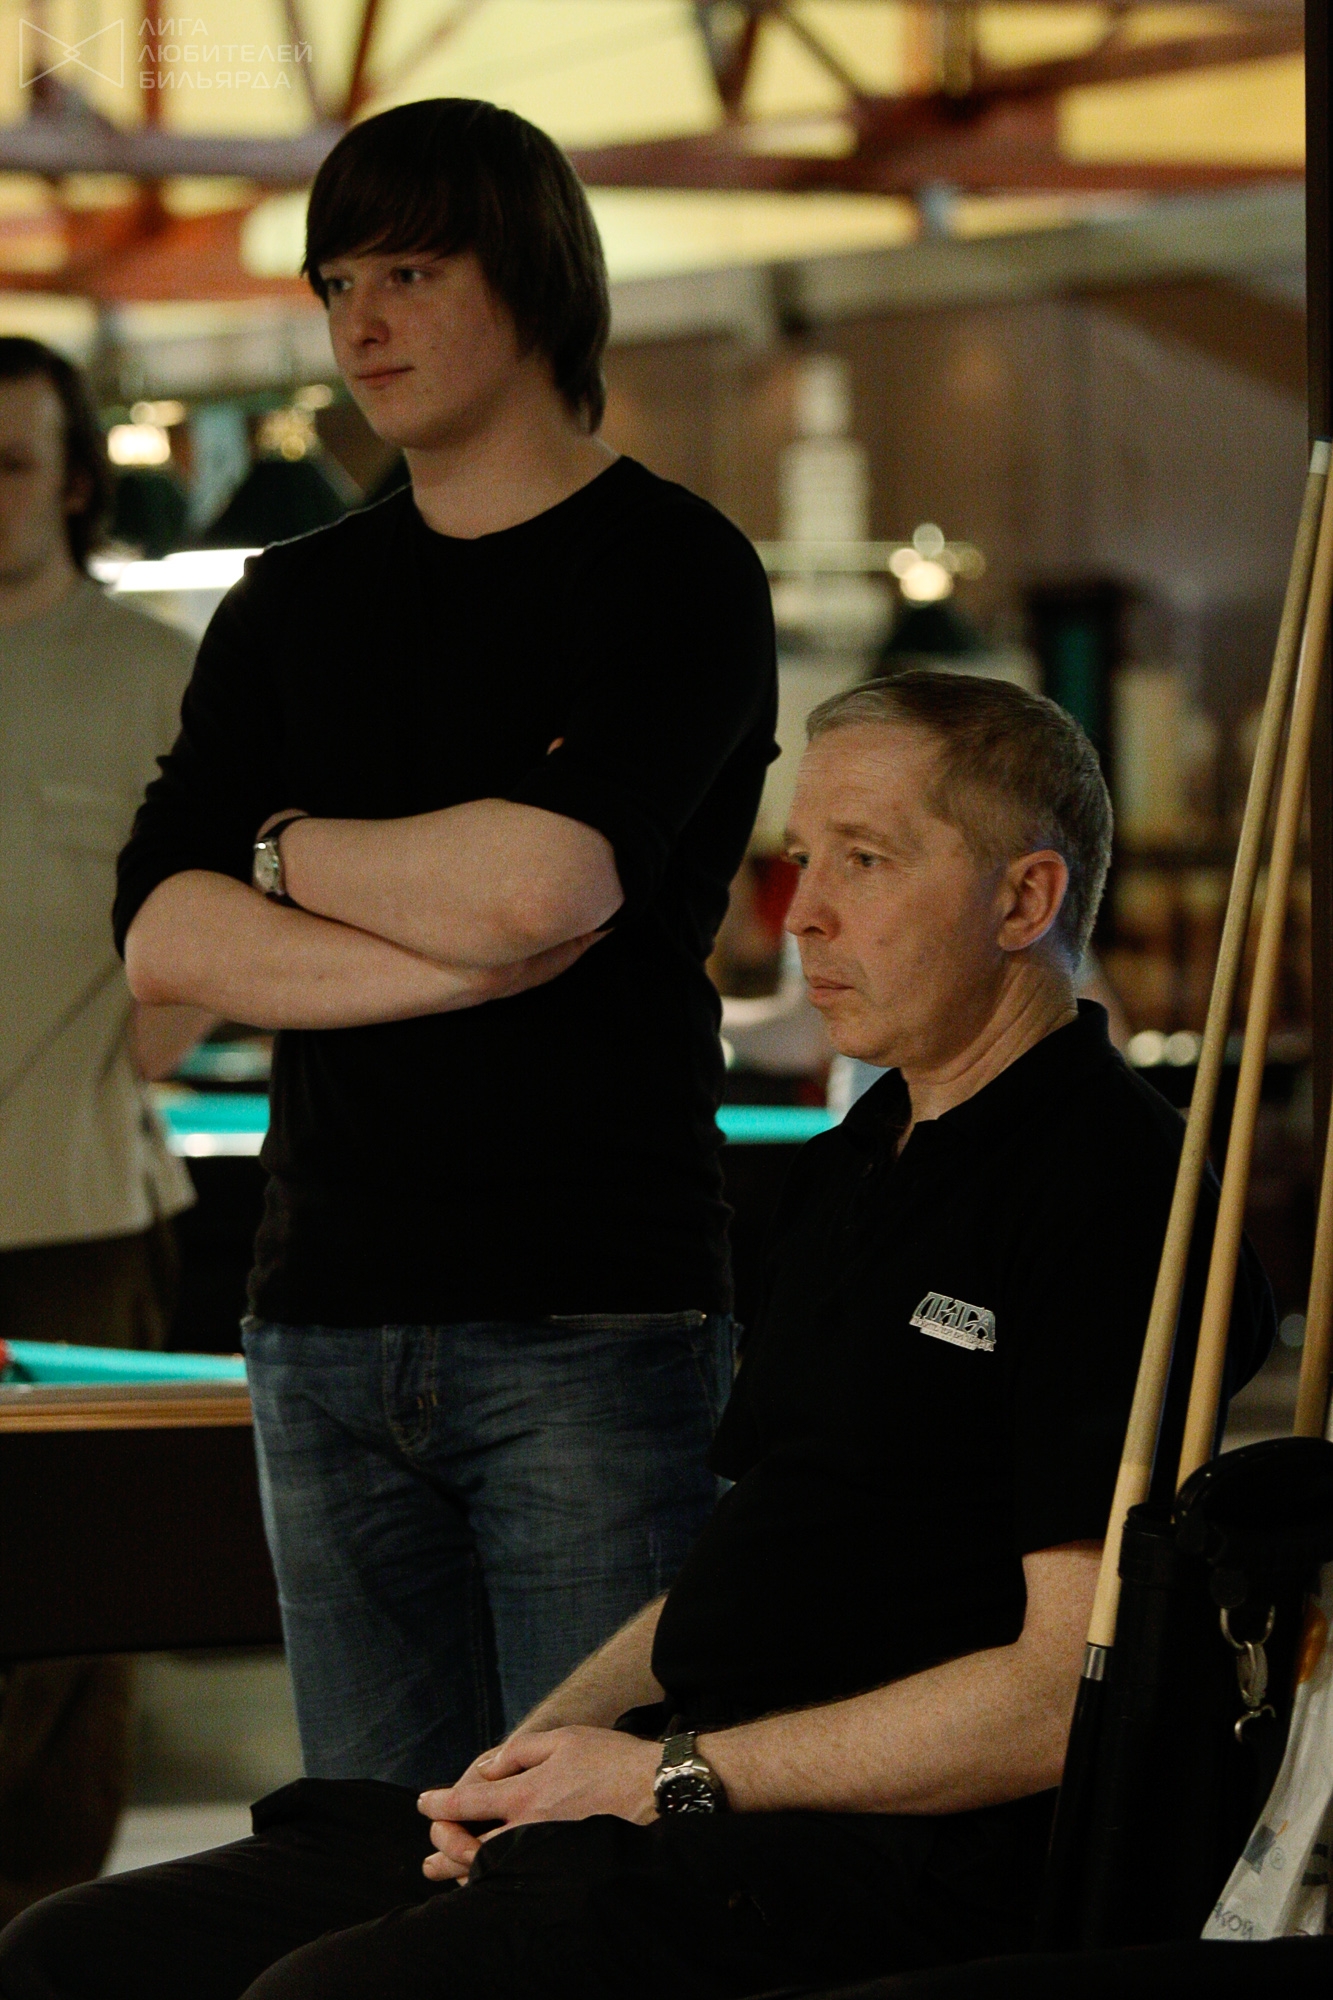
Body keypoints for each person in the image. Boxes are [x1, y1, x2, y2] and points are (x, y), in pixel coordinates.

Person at [0, 672, 1273, 2000]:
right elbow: (744, 1556)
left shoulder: (1118, 1192)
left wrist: (668, 1778)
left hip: (880, 1863)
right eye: (801, 858)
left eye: (866, 859)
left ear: (1024, 900)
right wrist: (525, 1761)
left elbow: (1063, 1694)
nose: (803, 913)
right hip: (693, 1796)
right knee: (78, 1957)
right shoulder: (856, 1160)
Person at [108, 98, 779, 1792]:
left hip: (591, 1308)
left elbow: (543, 888)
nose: (362, 325)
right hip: (322, 1310)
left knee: (575, 1853)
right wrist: (445, 944)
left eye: (407, 272)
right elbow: (165, 935)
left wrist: (286, 853)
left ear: (533, 275)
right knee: (361, 1852)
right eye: (337, 284)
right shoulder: (289, 599)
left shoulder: (674, 567)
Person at [0, 338, 209, 1916]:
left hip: (73, 1222)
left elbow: (211, 922)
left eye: (9, 463)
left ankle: (49, 1942)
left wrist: (121, 1062)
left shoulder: (151, 672)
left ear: (74, 481)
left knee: (68, 1635)